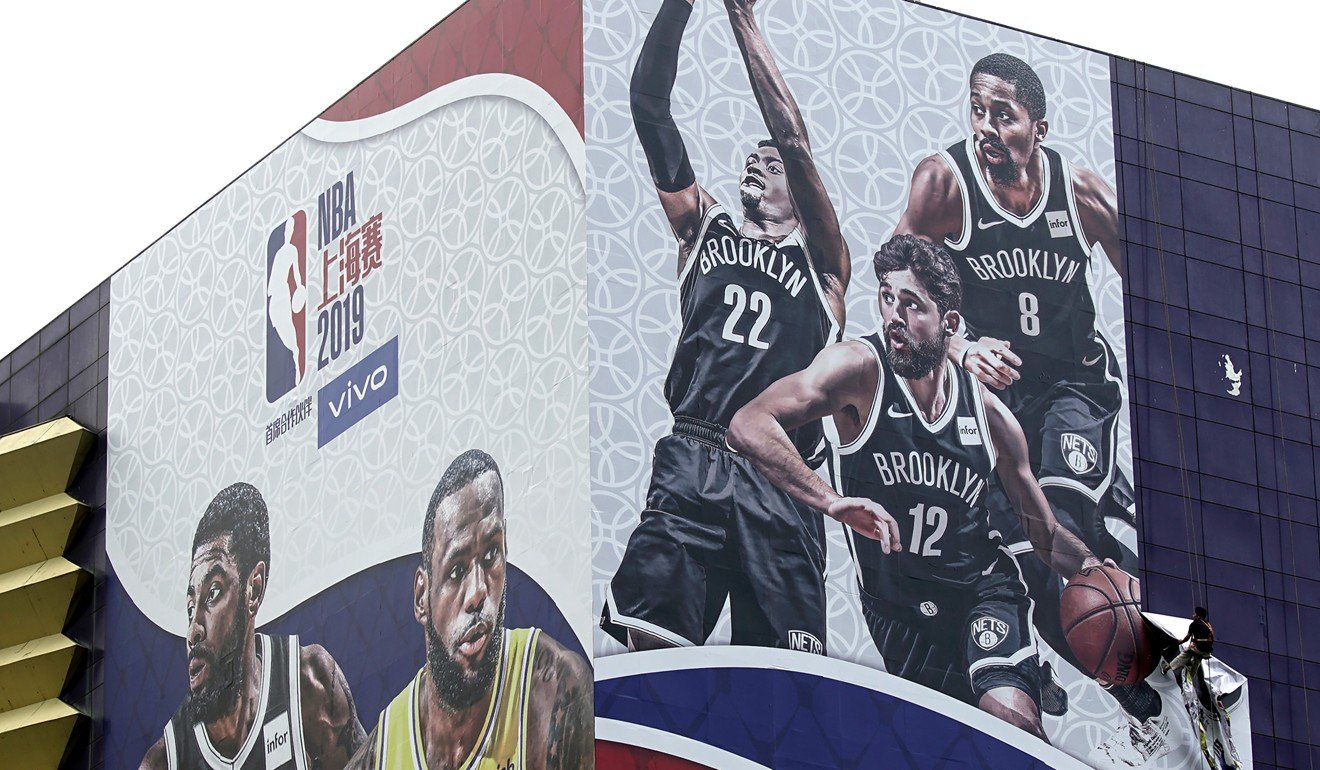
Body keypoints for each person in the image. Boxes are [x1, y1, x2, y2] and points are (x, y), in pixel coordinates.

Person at [728, 234, 1125, 739]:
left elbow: (1042, 534)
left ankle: (1020, 679)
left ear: (950, 324)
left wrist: (1092, 566)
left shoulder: (991, 419)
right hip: (896, 608)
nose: (894, 315)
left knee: (1010, 727)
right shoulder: (858, 370)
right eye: (887, 298)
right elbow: (749, 422)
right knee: (953, 750)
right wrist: (830, 501)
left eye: (912, 304)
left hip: (981, 591)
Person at [891, 52, 1168, 761]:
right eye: (977, 111)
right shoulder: (942, 182)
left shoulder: (1077, 192)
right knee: (1031, 565)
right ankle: (1146, 700)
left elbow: (1161, 292)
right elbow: (897, 282)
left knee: (1062, 518)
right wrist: (959, 348)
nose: (986, 126)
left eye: (1003, 114)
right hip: (1001, 403)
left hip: (1076, 387)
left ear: (1037, 128)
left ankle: (1174, 625)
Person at [602, 0, 855, 653]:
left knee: (780, 698)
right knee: (653, 662)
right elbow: (648, 106)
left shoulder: (824, 266)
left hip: (782, 475)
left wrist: (742, 17)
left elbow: (794, 141)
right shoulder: (702, 228)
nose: (757, 162)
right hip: (696, 454)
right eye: (753, 159)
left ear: (800, 196)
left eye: (771, 165)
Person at [347, 450, 592, 770]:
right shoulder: (383, 752)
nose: (478, 591)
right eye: (456, 571)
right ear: (422, 595)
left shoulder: (554, 689)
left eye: (491, 554)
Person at [140, 483, 365, 770]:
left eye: (213, 594)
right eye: (189, 608)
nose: (194, 629)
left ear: (253, 589)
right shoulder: (165, 761)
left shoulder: (309, 685)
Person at [1164, 606, 1215, 675]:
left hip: (1198, 648)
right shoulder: (1208, 624)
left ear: (1198, 616)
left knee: (1184, 656)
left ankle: (1166, 668)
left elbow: (1187, 638)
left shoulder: (1194, 624)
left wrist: (1179, 642)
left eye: (1195, 614)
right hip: (1206, 651)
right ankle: (1191, 675)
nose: (1193, 615)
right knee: (1197, 660)